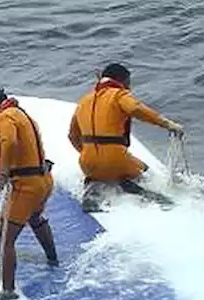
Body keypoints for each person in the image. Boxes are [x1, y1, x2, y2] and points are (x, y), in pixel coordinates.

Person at [0, 82, 60, 300]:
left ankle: (7, 291)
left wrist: (2, 174)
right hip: (43, 181)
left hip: (26, 188)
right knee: (36, 218)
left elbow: (9, 142)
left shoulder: (4, 118)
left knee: (5, 239)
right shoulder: (20, 113)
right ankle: (53, 259)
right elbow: (24, 161)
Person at [68, 62, 184, 211]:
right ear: (121, 81)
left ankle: (93, 188)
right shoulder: (119, 95)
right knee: (145, 171)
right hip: (117, 161)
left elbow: (72, 136)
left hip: (87, 164)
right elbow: (135, 108)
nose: (129, 88)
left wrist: (89, 153)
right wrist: (167, 124)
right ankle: (133, 187)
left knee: (99, 174)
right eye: (128, 83)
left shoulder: (83, 101)